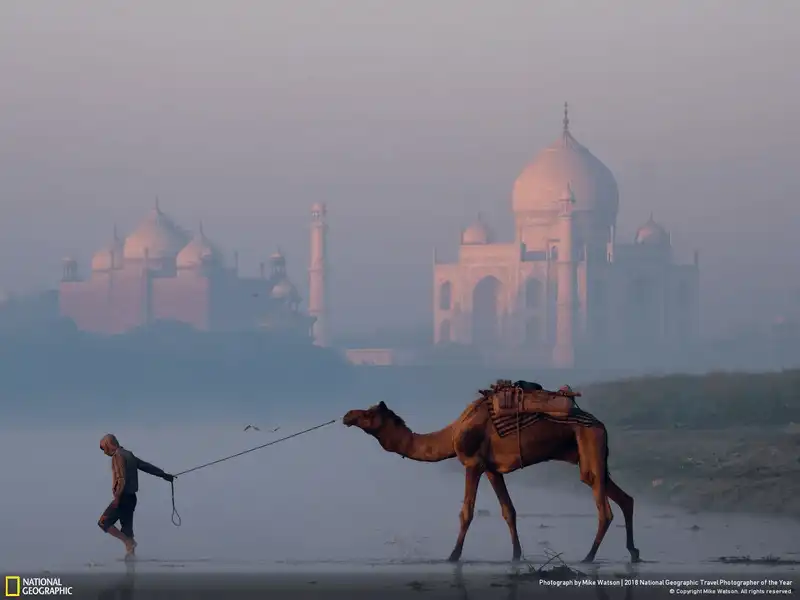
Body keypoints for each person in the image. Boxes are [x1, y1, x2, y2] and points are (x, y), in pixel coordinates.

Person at [98, 433, 175, 558]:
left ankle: (128, 543)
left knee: (103, 522)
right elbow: (146, 466)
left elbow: (121, 479)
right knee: (127, 530)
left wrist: (117, 498)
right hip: (131, 498)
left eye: (103, 448)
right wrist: (163, 474)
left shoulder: (118, 456)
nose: (103, 452)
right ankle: (131, 562)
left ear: (108, 445)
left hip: (122, 497)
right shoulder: (129, 454)